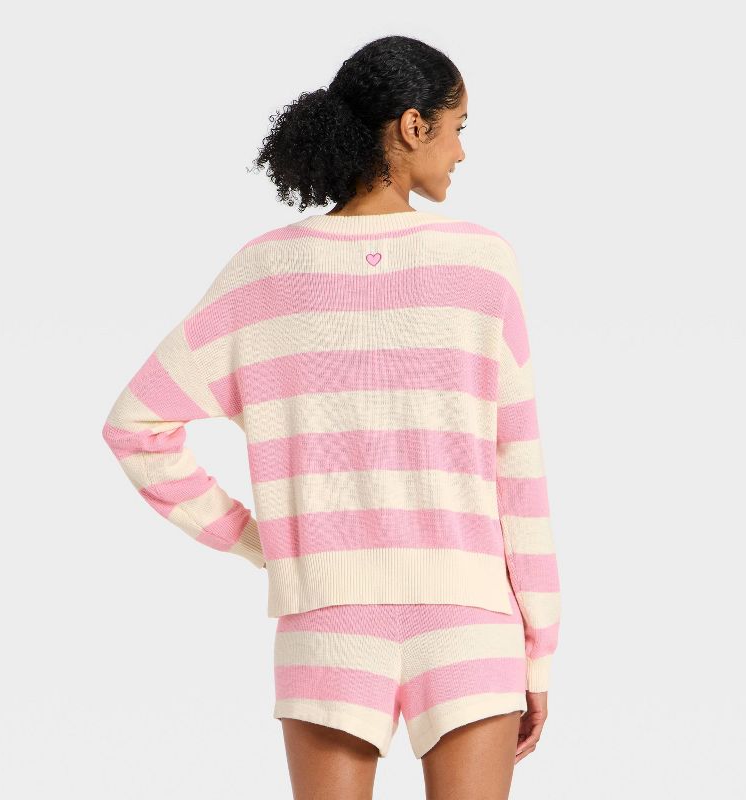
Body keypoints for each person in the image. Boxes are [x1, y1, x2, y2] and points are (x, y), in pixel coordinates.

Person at [102, 34, 561, 799]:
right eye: (458, 128)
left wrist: (270, 545)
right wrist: (539, 649)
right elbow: (519, 467)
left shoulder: (265, 271)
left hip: (325, 617)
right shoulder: (483, 262)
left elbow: (135, 426)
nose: (461, 151)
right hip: (469, 615)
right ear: (413, 125)